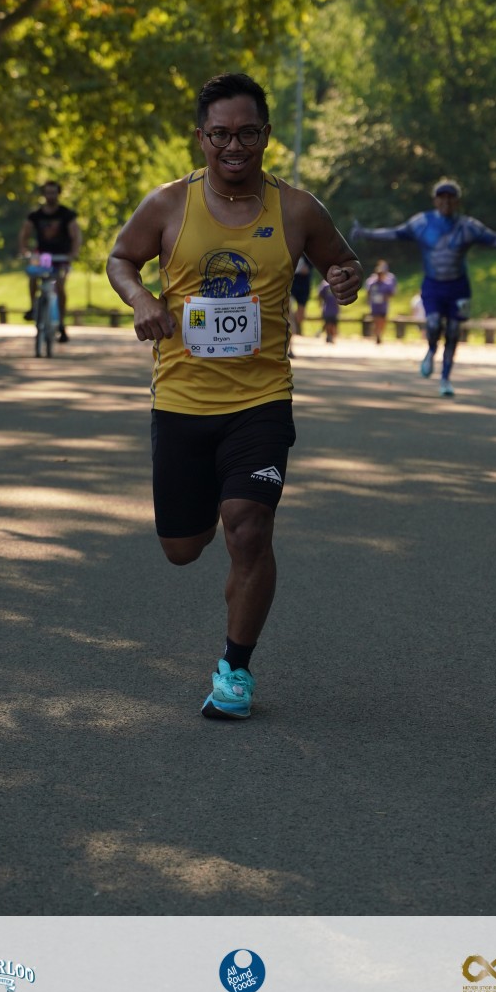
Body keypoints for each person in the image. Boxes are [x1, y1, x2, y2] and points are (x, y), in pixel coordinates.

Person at [106, 72, 361, 721]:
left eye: (247, 133)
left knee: (248, 529)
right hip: (181, 401)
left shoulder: (298, 209)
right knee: (183, 547)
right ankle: (213, 521)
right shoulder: (168, 204)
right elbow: (120, 258)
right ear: (202, 138)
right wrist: (141, 299)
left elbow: (343, 261)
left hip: (262, 399)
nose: (234, 146)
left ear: (266, 135)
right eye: (221, 134)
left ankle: (235, 669)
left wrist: (344, 278)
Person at [352, 180, 496, 397]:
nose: (446, 201)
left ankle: (445, 378)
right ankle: (431, 349)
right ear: (435, 200)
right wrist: (365, 233)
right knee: (434, 323)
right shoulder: (422, 223)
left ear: (457, 201)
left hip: (459, 286)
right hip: (433, 285)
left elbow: (494, 238)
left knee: (454, 332)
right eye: (442, 197)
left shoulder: (467, 226)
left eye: (450, 197)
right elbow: (394, 233)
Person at [18, 180, 82, 343]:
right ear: (43, 194)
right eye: (48, 192)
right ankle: (33, 307)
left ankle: (61, 323)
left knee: (60, 286)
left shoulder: (66, 214)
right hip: (43, 257)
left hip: (61, 257)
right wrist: (24, 250)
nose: (50, 196)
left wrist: (73, 253)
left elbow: (75, 235)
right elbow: (25, 233)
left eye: (53, 192)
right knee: (33, 276)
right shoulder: (36, 215)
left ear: (58, 194)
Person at [365, 260, 397, 344]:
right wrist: (368, 300)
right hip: (374, 305)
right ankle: (377, 334)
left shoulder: (387, 283)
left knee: (382, 321)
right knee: (376, 320)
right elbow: (368, 292)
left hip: (383, 306)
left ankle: (380, 334)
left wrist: (387, 297)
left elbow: (392, 293)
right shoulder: (372, 283)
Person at [290, 256, 312, 335]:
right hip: (291, 285)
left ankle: (296, 327)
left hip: (303, 287)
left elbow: (307, 270)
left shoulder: (308, 255)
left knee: (300, 316)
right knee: (289, 310)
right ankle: (292, 329)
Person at [317, 278, 340, 343]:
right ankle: (330, 336)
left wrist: (320, 304)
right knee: (332, 324)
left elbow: (319, 295)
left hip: (327, 308)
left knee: (328, 323)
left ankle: (329, 336)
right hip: (333, 308)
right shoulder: (336, 283)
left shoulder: (324, 284)